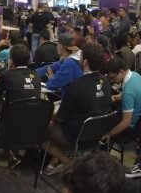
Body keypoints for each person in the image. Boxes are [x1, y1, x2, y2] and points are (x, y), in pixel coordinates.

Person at [45, 42, 112, 172]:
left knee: (40, 129)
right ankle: (56, 161)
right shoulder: (106, 82)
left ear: (85, 61)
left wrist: (48, 115)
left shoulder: (76, 85)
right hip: (95, 136)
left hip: (75, 137)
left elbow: (60, 118)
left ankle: (70, 163)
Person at [106, 57, 141, 139]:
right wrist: (115, 97)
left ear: (121, 71)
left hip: (132, 127)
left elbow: (126, 122)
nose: (111, 81)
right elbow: (130, 96)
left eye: (112, 77)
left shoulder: (128, 92)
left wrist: (107, 135)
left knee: (105, 118)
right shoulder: (135, 75)